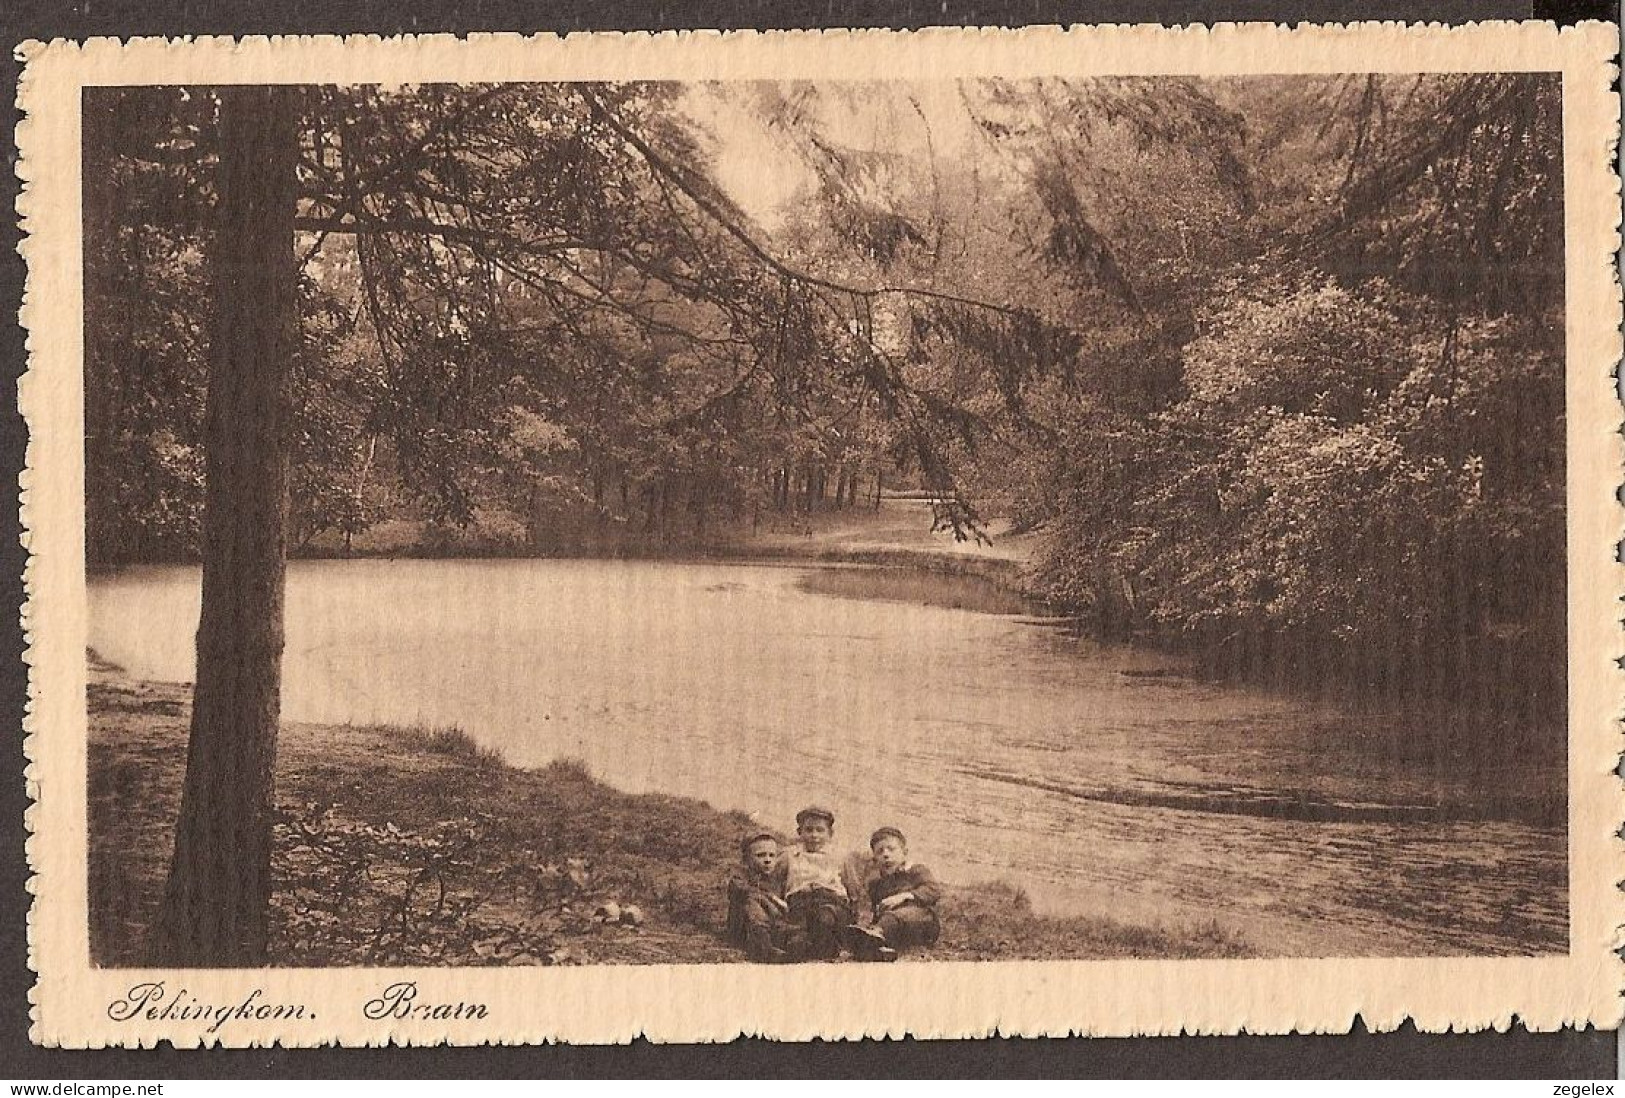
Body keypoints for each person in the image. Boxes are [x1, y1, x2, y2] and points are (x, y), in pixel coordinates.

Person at [845, 826, 942, 961]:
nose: (885, 854)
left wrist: (903, 896)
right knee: (885, 925)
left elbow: (933, 890)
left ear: (904, 852)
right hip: (894, 929)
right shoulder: (876, 884)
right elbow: (877, 911)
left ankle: (875, 936)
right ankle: (880, 950)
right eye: (880, 852)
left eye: (891, 849)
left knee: (894, 917)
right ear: (875, 860)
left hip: (923, 924)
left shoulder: (915, 870)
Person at [778, 805, 858, 960]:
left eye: (820, 830)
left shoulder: (840, 856)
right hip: (799, 902)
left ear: (830, 833)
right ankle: (801, 942)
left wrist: (853, 916)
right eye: (808, 830)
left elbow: (852, 888)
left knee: (824, 920)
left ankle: (829, 945)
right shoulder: (789, 855)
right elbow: (775, 882)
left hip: (831, 902)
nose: (814, 835)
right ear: (799, 832)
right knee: (797, 934)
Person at [725, 831, 790, 962]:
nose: (767, 860)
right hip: (744, 928)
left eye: (772, 855)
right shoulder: (740, 874)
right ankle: (763, 949)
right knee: (751, 901)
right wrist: (770, 899)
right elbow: (741, 890)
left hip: (772, 924)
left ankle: (779, 945)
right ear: (747, 859)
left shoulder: (777, 879)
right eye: (760, 855)